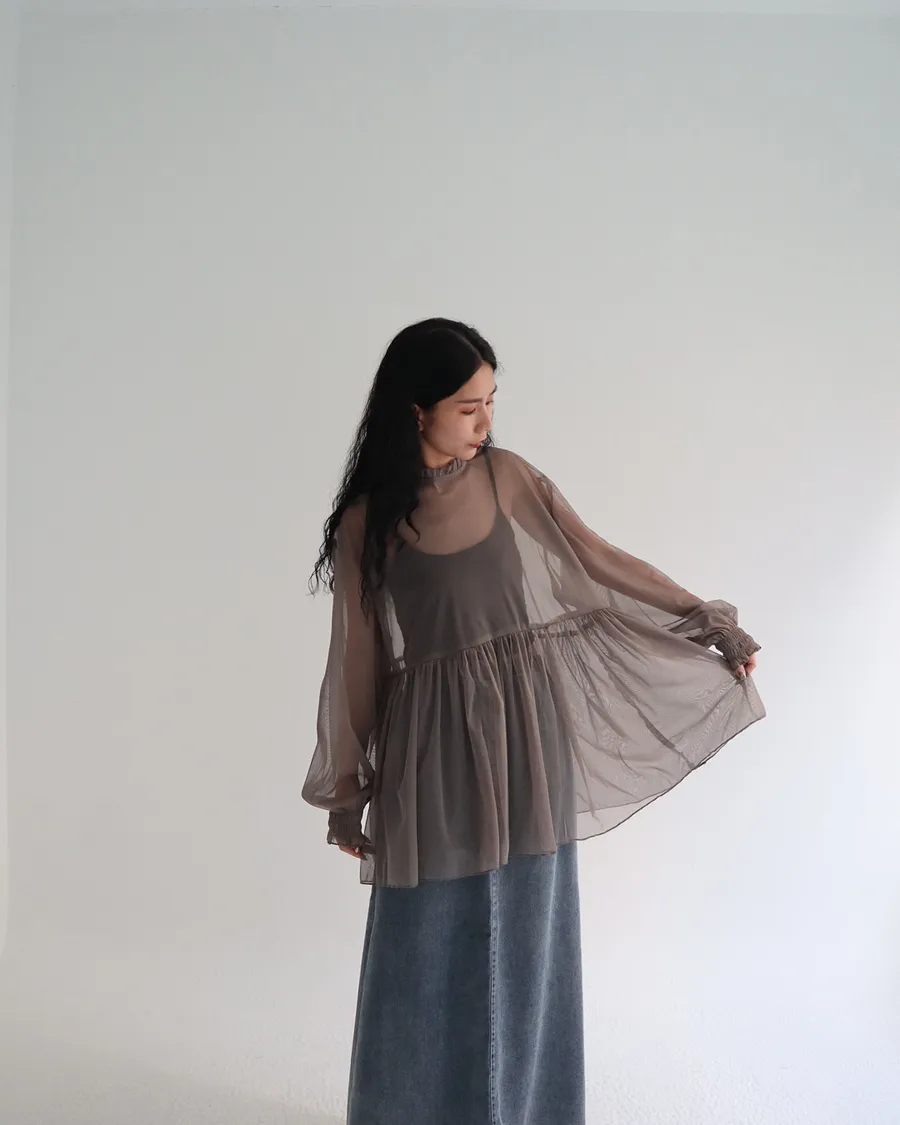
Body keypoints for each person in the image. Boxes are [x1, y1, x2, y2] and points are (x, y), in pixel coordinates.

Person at [302, 317, 765, 1125]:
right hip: (432, 751)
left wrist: (703, 618)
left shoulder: (507, 478)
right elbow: (358, 663)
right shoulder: (365, 526)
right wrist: (349, 791)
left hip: (527, 734)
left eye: (491, 401)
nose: (486, 422)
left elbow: (597, 560)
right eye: (469, 407)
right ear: (417, 410)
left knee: (527, 929)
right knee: (424, 938)